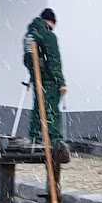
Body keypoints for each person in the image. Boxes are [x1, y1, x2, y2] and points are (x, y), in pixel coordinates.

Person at [23, 8, 67, 142]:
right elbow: (54, 60)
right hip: (48, 80)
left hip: (37, 78)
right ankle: (54, 139)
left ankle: (35, 136)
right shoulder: (48, 35)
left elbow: (27, 59)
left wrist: (34, 73)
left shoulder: (29, 35)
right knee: (51, 109)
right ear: (51, 21)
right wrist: (60, 82)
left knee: (38, 107)